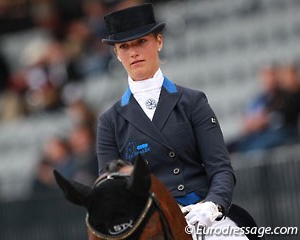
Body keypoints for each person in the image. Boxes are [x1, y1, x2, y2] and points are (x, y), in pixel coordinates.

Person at [97, 4, 250, 239]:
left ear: (159, 42)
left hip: (202, 215)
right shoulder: (110, 121)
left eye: (141, 42)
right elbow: (111, 190)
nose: (133, 52)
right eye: (124, 46)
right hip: (147, 223)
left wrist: (212, 207)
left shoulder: (193, 102)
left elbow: (221, 169)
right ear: (117, 54)